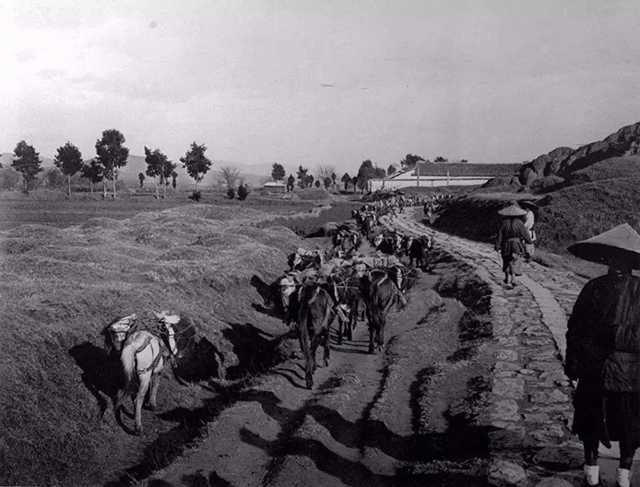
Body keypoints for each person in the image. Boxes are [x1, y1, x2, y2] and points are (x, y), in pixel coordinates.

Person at [565, 223, 640, 487]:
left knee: (612, 423)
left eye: (620, 258)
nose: (616, 262)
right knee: (610, 423)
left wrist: (573, 363)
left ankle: (610, 475)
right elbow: (575, 328)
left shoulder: (595, 287)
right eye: (614, 258)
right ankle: (608, 474)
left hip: (615, 372)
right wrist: (575, 361)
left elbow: (574, 330)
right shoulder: (594, 288)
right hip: (615, 372)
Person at [495, 202, 533, 287]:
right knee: (515, 261)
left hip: (506, 245)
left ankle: (507, 279)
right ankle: (513, 279)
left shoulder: (503, 223)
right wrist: (529, 242)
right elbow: (525, 234)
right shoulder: (520, 223)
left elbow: (499, 235)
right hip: (516, 245)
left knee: (506, 260)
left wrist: (497, 245)